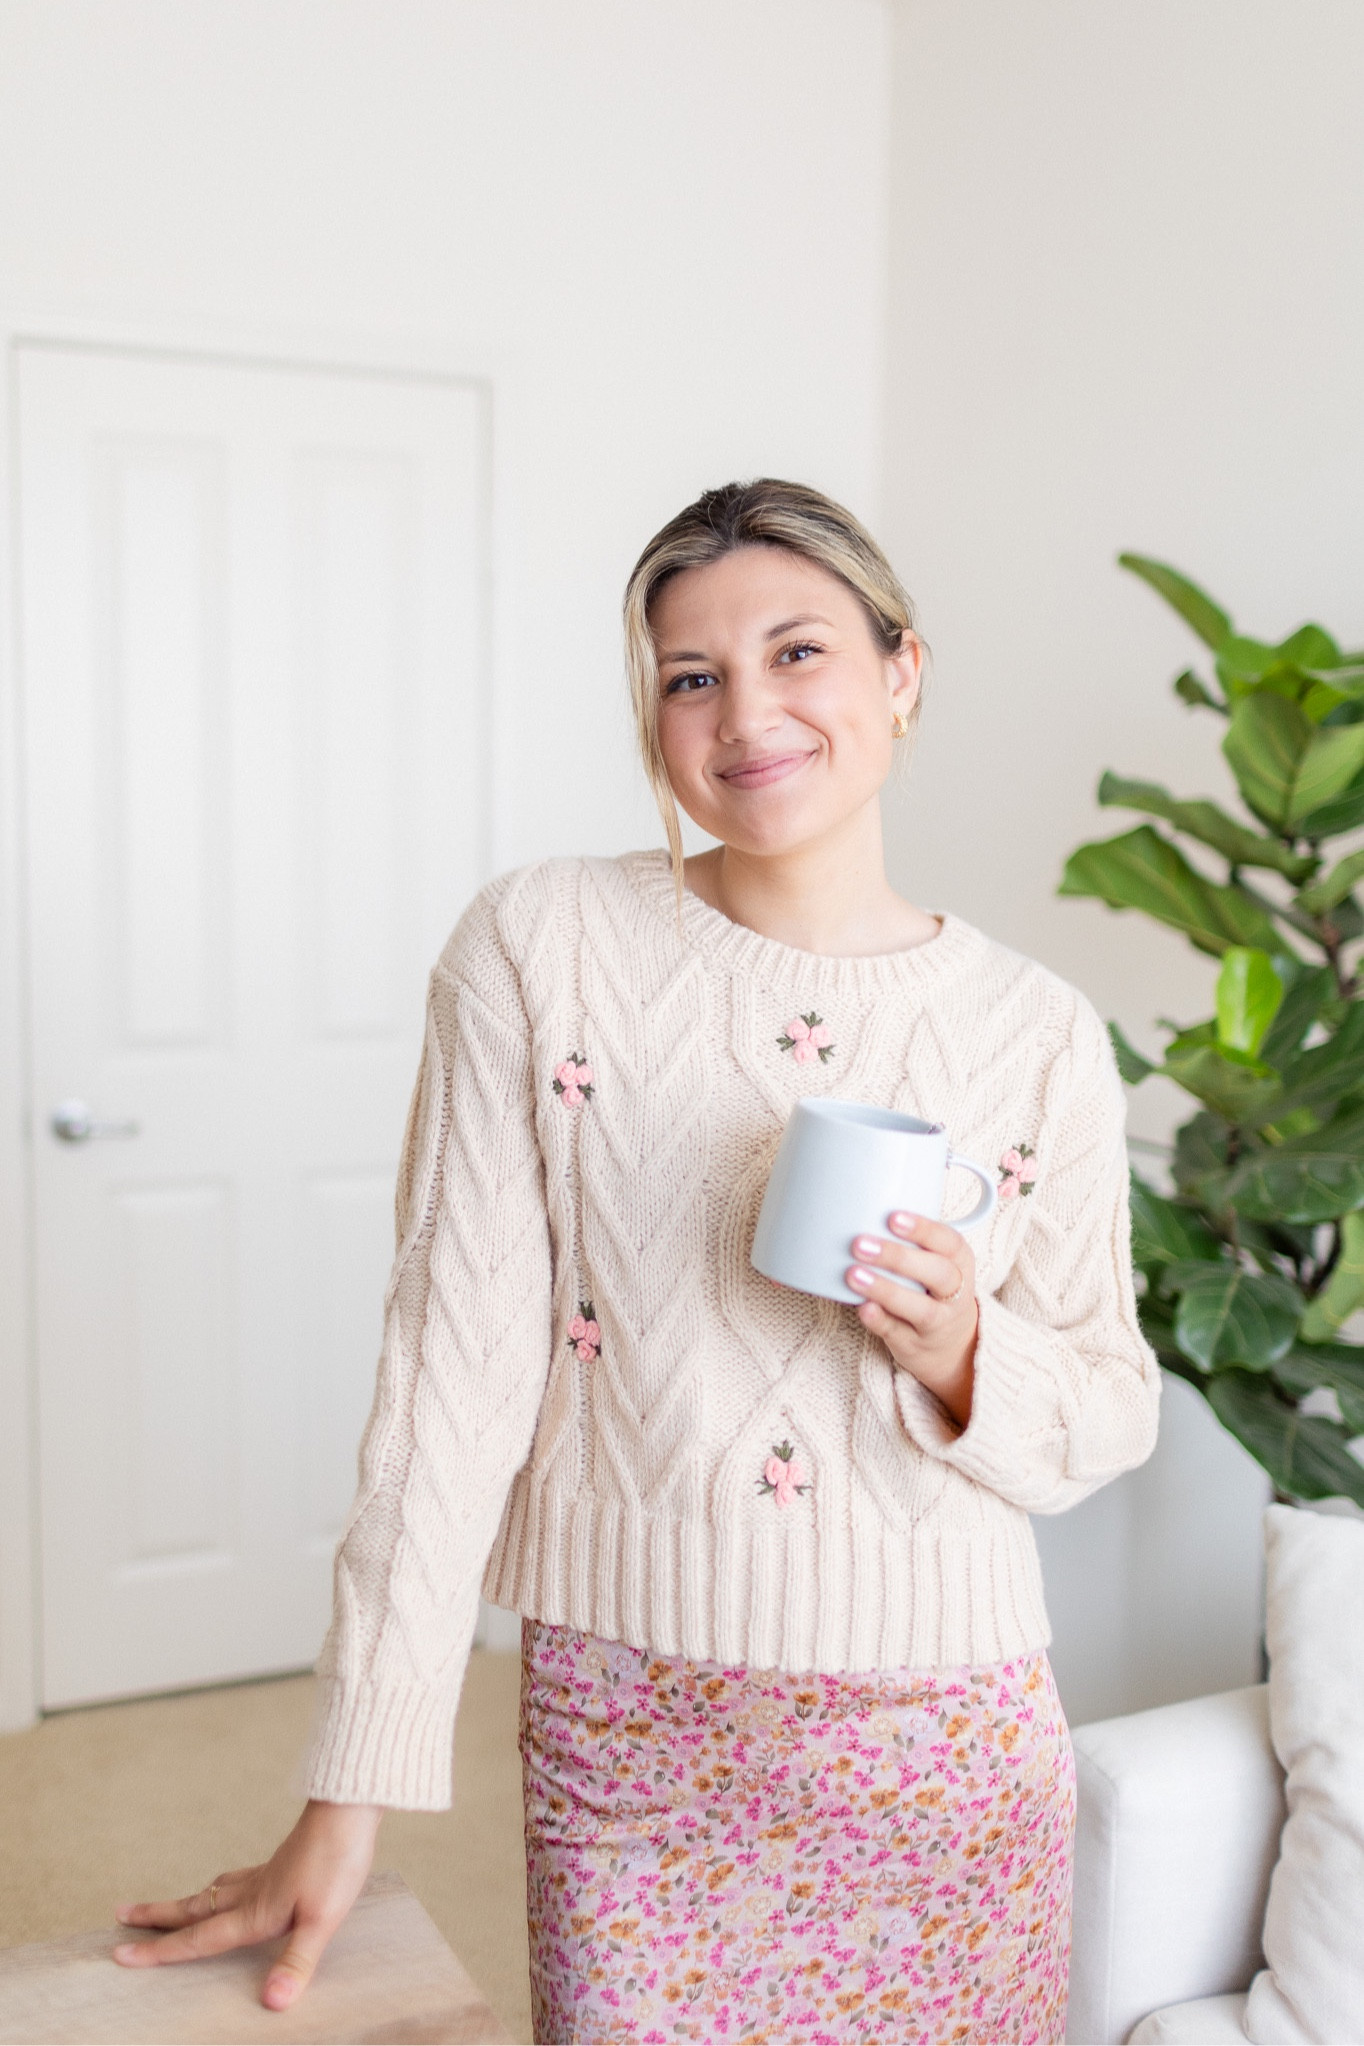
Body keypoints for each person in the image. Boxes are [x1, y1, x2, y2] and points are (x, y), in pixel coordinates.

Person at [112, 479, 1161, 2041]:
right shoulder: (539, 948)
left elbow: (1108, 1406)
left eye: (799, 650)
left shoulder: (1041, 1034)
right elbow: (446, 1390)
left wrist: (962, 1354)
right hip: (631, 1730)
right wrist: (351, 1784)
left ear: (903, 672)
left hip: (944, 1749)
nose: (749, 712)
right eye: (692, 675)